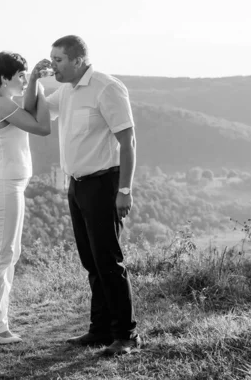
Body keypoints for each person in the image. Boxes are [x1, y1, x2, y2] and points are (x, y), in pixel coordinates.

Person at [43, 35, 142, 356]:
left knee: (109, 262)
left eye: (58, 60)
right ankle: (99, 331)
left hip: (104, 184)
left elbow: (128, 142)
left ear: (77, 60)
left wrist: (125, 190)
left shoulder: (106, 87)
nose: (53, 66)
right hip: (77, 185)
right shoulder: (67, 91)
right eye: (52, 60)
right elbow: (36, 108)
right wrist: (32, 79)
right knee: (91, 262)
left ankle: (126, 336)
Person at [0, 51, 51, 344]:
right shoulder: (0, 104)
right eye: (20, 76)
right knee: (2, 255)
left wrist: (34, 81)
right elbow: (42, 126)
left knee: (11, 253)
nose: (23, 81)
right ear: (4, 78)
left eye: (25, 75)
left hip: (10, 186)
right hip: (3, 186)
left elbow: (30, 109)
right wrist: (41, 88)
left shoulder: (6, 104)